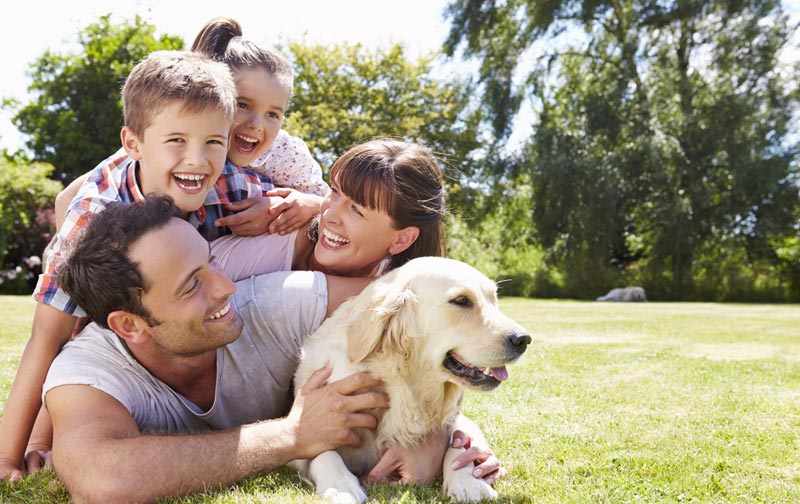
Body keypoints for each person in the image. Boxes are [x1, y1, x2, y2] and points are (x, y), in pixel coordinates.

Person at [42, 196, 496, 502]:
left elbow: (421, 314)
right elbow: (101, 480)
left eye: (210, 263)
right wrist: (292, 435)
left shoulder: (281, 300)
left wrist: (439, 436)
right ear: (130, 325)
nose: (225, 288)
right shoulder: (88, 371)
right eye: (191, 286)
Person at [0, 49, 286, 482]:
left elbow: (311, 217)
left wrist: (309, 205)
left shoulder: (230, 179)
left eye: (213, 141)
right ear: (133, 143)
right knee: (81, 323)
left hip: (186, 296)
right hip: (120, 302)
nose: (198, 160)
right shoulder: (93, 217)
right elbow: (48, 336)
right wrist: (15, 452)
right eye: (177, 141)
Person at [54, 16, 327, 238]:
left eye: (273, 114)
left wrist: (304, 205)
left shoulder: (284, 153)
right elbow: (66, 199)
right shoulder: (157, 150)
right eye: (242, 105)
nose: (256, 125)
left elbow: (330, 202)